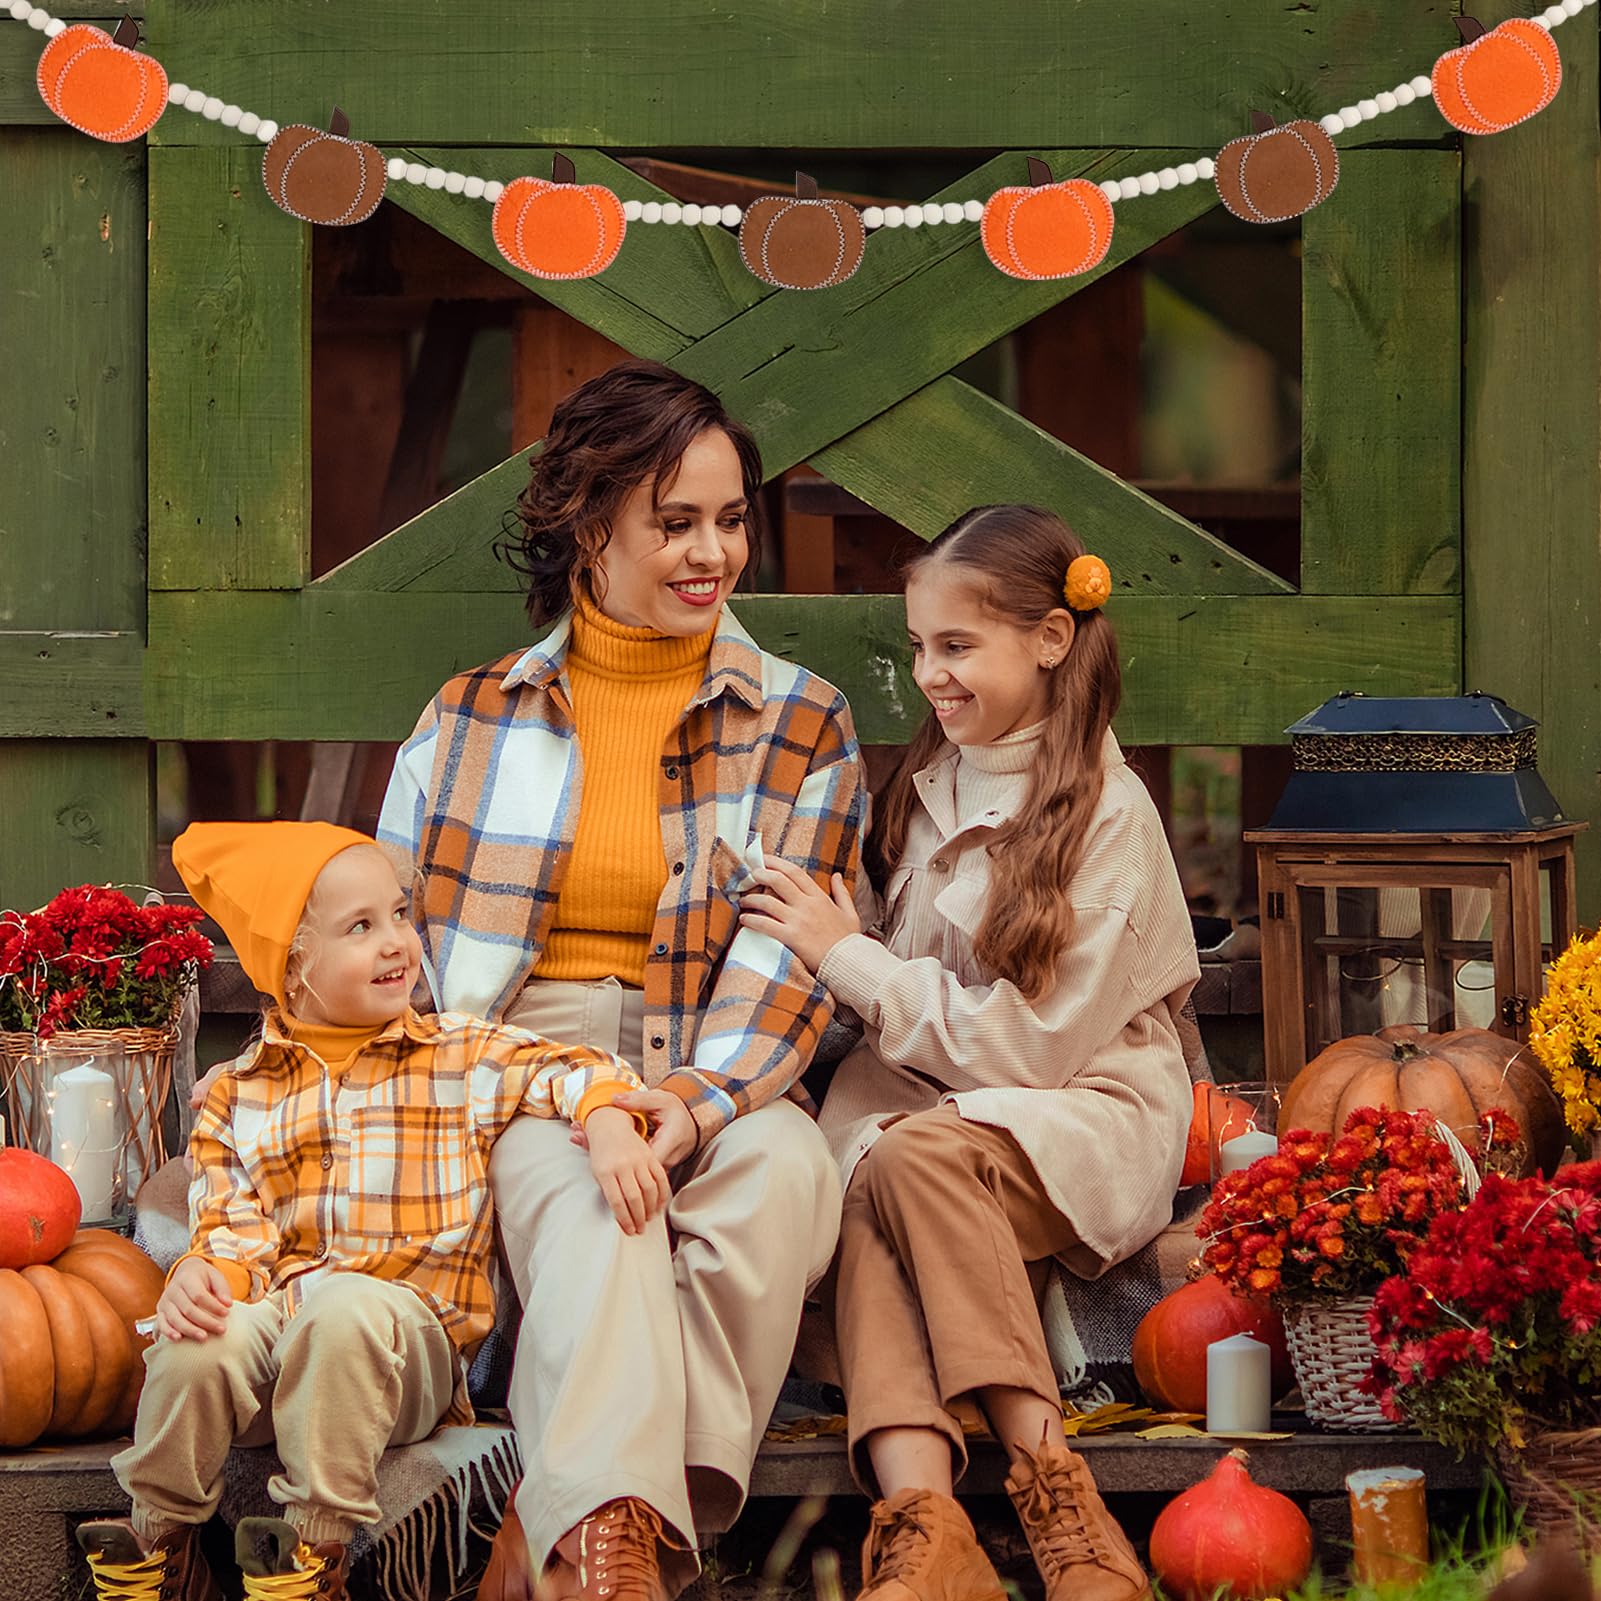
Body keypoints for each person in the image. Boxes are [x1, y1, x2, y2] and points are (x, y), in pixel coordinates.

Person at [377, 360, 863, 1600]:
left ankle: (578, 1533)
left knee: (783, 1174)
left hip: (718, 1056)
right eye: (677, 523)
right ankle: (613, 1560)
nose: (715, 553)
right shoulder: (468, 718)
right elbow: (397, 955)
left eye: (731, 518)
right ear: (590, 527)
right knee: (603, 1209)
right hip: (517, 1069)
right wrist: (566, 1093)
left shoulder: (802, 723)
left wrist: (694, 1102)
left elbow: (786, 957)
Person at [741, 505, 1200, 1601]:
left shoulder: (1108, 811)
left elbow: (1033, 1051)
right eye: (916, 646)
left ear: (1050, 637)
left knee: (906, 1160)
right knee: (876, 1177)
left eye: (956, 646)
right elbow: (892, 995)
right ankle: (929, 1525)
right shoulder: (926, 778)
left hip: (1074, 1107)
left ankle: (1050, 1486)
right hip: (922, 1106)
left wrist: (848, 956)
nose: (928, 675)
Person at [77, 822, 656, 1601]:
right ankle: (159, 1549)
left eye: (399, 914)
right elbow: (233, 1236)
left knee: (345, 1310)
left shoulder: (458, 1054)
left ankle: (314, 1560)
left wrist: (613, 1117)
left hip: (406, 1347)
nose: (397, 943)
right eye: (361, 926)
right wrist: (200, 1277)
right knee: (196, 1342)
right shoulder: (239, 1094)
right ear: (293, 965)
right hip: (287, 1335)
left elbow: (576, 1067)